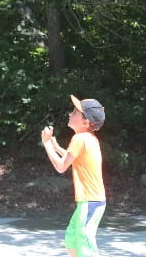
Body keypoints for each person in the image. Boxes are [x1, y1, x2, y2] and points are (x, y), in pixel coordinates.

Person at [41, 95, 106, 257]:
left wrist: (47, 143)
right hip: (90, 201)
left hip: (90, 201)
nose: (70, 114)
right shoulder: (88, 138)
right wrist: (56, 147)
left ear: (85, 122)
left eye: (75, 112)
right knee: (72, 240)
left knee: (85, 244)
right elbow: (73, 160)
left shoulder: (79, 138)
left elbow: (61, 166)